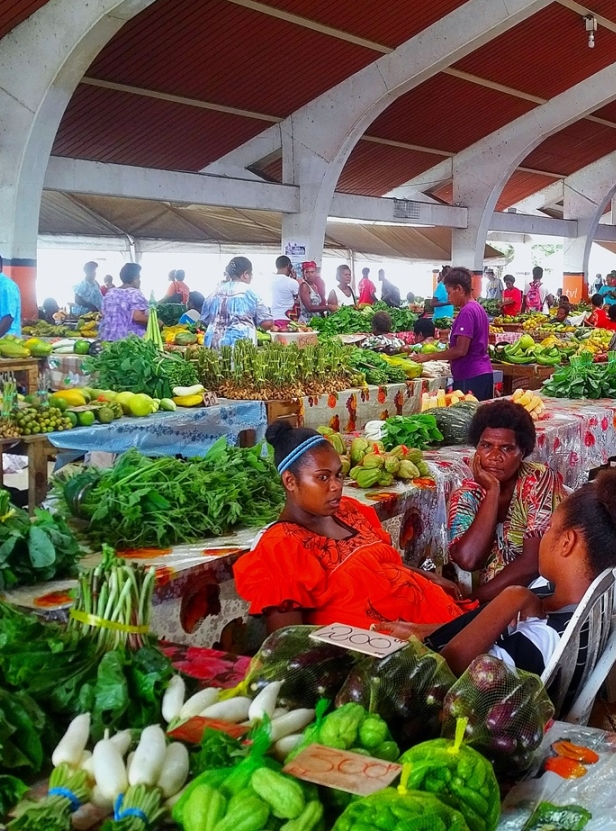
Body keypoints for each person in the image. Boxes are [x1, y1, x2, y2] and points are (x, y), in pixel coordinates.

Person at [419, 469, 616, 676]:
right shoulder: (556, 595)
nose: (544, 534)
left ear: (567, 543)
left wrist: (514, 596)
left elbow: (444, 674)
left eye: (550, 527)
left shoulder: (545, 638)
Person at [233, 424, 469, 631]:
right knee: (506, 604)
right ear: (290, 481)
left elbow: (381, 566)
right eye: (323, 478)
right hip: (395, 656)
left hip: (438, 622)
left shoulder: (348, 510)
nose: (336, 486)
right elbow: (289, 642)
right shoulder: (282, 546)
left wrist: (425, 576)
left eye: (339, 475)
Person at [445, 400, 567, 603]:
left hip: (540, 594)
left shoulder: (538, 479)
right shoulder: (467, 494)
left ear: (523, 452)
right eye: (486, 446)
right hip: (490, 602)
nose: (494, 456)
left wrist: (473, 603)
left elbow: (532, 563)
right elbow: (468, 560)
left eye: (507, 448)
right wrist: (492, 492)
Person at [416, 268, 494, 398]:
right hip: (483, 372)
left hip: (470, 376)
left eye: (449, 292)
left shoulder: (467, 312)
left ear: (459, 289)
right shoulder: (478, 308)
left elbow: (460, 350)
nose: (448, 297)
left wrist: (429, 356)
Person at [202, 256, 273, 347]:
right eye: (251, 274)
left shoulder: (214, 292)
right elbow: (267, 323)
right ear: (246, 274)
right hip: (239, 348)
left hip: (212, 345)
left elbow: (204, 320)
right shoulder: (250, 292)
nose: (251, 278)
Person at [99, 262, 148, 341]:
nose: (140, 281)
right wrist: (156, 321)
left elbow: (104, 313)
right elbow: (138, 317)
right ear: (135, 279)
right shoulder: (135, 293)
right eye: (139, 278)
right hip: (128, 342)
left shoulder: (110, 293)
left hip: (108, 339)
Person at [270, 256, 300, 321]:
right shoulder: (291, 282)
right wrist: (294, 279)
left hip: (272, 317)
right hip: (287, 318)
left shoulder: (269, 280)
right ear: (289, 266)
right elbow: (298, 299)